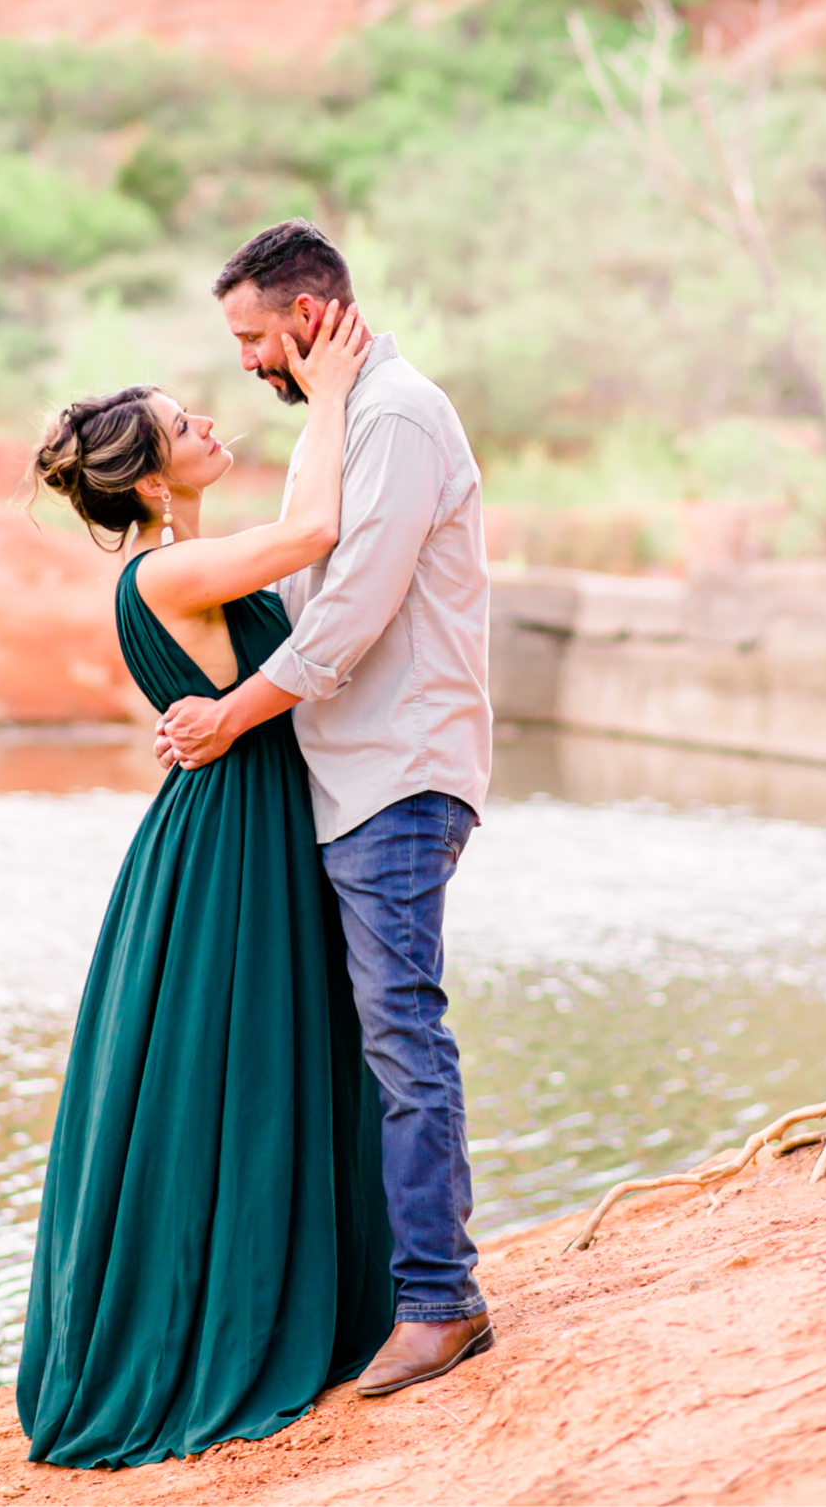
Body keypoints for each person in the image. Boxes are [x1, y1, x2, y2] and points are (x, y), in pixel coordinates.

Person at [16, 301, 396, 1469]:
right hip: (234, 832)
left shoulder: (166, 561)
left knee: (244, 1061)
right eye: (186, 426)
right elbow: (322, 523)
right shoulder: (172, 569)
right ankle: (235, 1324)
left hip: (225, 817)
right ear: (145, 480)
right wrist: (331, 396)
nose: (209, 424)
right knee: (246, 1063)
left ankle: (293, 1296)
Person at [157, 218, 494, 1400]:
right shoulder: (348, 422)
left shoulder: (393, 416)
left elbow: (347, 611)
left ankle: (443, 1302)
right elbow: (296, 562)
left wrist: (236, 714)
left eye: (254, 335)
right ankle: (381, 1288)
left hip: (397, 769)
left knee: (402, 1029)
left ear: (306, 319)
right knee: (372, 1036)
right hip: (352, 773)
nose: (245, 359)